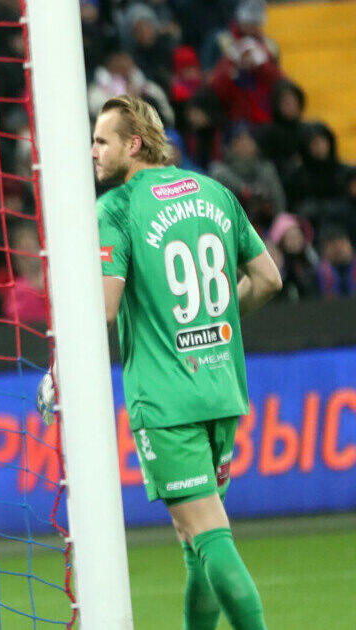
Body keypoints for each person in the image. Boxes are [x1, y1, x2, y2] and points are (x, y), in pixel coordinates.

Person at [91, 95, 281, 629]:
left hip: (166, 400)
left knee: (209, 537)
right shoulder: (216, 193)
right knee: (195, 542)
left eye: (102, 141)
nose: (93, 151)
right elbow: (268, 279)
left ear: (133, 144)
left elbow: (104, 308)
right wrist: (218, 318)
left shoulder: (117, 208)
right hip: (220, 390)